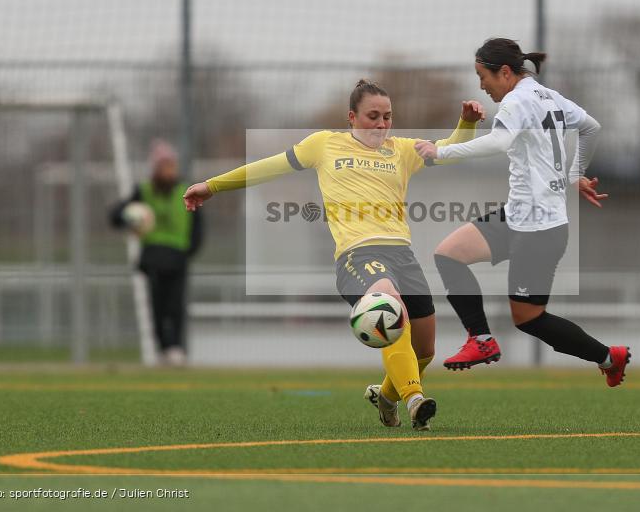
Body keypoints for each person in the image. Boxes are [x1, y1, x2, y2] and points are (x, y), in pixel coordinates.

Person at [182, 79, 484, 429]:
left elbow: (449, 151)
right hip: (357, 256)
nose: (382, 125)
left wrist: (467, 122)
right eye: (373, 116)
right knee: (388, 303)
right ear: (352, 117)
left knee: (425, 350)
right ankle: (416, 400)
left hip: (403, 255)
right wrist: (213, 185)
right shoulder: (324, 144)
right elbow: (269, 166)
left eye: (387, 117)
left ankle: (386, 398)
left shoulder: (401, 150)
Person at [414, 38, 631, 386]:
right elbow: (592, 126)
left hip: (539, 229)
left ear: (503, 71)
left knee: (529, 318)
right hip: (521, 216)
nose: (480, 85)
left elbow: (499, 143)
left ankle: (609, 357)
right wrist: (574, 174)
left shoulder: (517, 101)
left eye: (482, 76)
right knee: (448, 255)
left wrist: (440, 153)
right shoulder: (548, 95)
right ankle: (481, 340)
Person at [110, 139, 204, 366]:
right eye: (163, 165)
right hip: (153, 255)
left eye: (171, 165)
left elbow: (198, 224)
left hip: (177, 256)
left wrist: (190, 250)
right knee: (158, 305)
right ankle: (164, 348)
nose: (168, 170)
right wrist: (128, 217)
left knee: (176, 304)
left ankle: (176, 348)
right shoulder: (143, 191)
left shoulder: (185, 189)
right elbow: (116, 216)